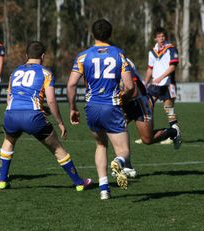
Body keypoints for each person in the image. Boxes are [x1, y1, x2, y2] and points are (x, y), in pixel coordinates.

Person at [0, 41, 91, 191]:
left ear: (27, 55)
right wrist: (60, 122)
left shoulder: (15, 72)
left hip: (11, 115)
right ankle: (79, 183)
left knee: (8, 142)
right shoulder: (46, 73)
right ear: (43, 56)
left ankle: (2, 180)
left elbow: (10, 96)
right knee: (57, 149)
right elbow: (52, 99)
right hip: (33, 117)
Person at [67, 19, 134, 200]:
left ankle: (104, 189)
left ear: (93, 34)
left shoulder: (83, 56)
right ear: (110, 34)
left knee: (100, 144)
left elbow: (71, 84)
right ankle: (117, 162)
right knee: (124, 151)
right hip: (111, 106)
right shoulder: (119, 54)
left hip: (92, 107)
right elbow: (129, 86)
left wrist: (73, 108)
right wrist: (122, 99)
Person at [119, 58, 181, 178]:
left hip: (140, 102)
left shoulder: (123, 62)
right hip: (127, 102)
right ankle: (128, 166)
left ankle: (173, 131)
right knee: (119, 130)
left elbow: (134, 91)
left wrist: (119, 100)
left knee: (147, 139)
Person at [144, 27, 181, 145]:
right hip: (155, 85)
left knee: (169, 109)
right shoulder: (152, 51)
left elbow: (172, 67)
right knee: (147, 107)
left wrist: (160, 77)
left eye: (163, 36)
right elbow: (150, 68)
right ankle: (147, 133)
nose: (161, 38)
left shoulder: (171, 49)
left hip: (168, 84)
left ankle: (175, 134)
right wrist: (145, 82)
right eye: (159, 36)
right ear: (155, 38)